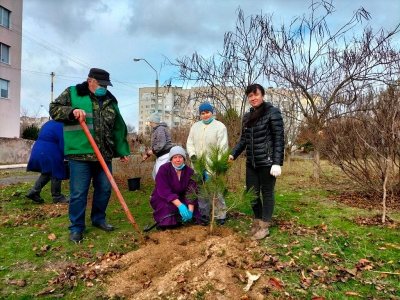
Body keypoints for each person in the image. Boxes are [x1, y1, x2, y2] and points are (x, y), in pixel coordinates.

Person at [49, 67, 130, 243]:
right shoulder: (73, 93)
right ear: (90, 80)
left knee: (105, 189)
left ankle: (98, 219)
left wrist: (122, 150)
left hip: (104, 155)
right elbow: (53, 109)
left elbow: (117, 127)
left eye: (106, 85)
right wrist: (72, 112)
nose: (104, 88)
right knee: (79, 193)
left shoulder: (110, 100)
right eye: (101, 84)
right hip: (80, 155)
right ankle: (76, 227)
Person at [229, 83, 284, 240]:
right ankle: (258, 220)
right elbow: (244, 139)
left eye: (256, 95)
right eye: (250, 96)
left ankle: (265, 225)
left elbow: (279, 139)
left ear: (262, 95)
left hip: (267, 162)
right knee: (252, 193)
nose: (253, 98)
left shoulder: (273, 113)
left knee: (267, 193)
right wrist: (233, 154)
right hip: (251, 162)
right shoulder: (247, 116)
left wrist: (277, 162)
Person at [186, 102, 229, 225]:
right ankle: (204, 214)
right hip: (198, 165)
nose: (205, 115)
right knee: (201, 191)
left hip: (212, 165)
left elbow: (223, 147)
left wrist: (218, 165)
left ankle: (220, 215)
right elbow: (190, 143)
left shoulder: (220, 127)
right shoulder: (195, 127)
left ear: (212, 112)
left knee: (216, 191)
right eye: (202, 113)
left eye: (207, 112)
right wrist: (193, 156)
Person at [150, 146, 201, 229]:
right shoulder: (163, 169)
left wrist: (190, 210)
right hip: (163, 196)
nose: (178, 160)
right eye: (175, 157)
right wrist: (180, 205)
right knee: (167, 208)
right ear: (171, 159)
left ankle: (185, 218)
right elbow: (164, 189)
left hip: (181, 196)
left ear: (184, 158)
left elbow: (191, 191)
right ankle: (166, 223)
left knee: (193, 215)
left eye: (180, 157)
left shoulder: (189, 172)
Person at [26, 120, 69, 204]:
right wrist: (67, 155)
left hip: (38, 147)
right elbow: (62, 141)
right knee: (57, 170)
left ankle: (34, 191)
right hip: (51, 149)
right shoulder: (62, 125)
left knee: (48, 172)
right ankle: (57, 196)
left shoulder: (49, 123)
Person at [142, 112, 173, 180]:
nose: (149, 124)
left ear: (153, 121)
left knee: (160, 176)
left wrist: (152, 151)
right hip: (161, 156)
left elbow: (161, 144)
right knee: (156, 174)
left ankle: (164, 189)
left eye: (150, 122)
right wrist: (147, 154)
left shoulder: (160, 129)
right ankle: (162, 188)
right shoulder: (157, 130)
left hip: (165, 155)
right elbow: (155, 145)